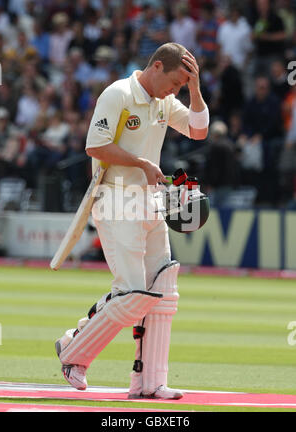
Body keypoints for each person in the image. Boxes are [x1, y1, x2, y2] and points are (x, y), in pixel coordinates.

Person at [55, 42, 209, 399]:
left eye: (181, 87)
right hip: (114, 198)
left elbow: (198, 130)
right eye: (174, 82)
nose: (175, 91)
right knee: (134, 293)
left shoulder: (163, 101)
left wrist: (195, 89)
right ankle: (73, 350)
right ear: (156, 66)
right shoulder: (119, 94)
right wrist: (142, 163)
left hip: (150, 201)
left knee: (163, 291)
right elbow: (95, 146)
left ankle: (150, 382)